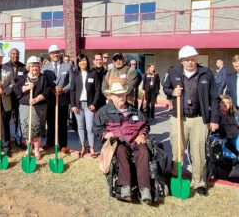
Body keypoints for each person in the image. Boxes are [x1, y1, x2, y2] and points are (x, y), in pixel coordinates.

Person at [163, 45, 219, 196]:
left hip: (199, 119)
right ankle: (176, 176)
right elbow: (165, 88)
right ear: (181, 61)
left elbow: (214, 98)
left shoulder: (206, 73)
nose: (190, 62)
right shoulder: (173, 72)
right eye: (187, 60)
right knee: (177, 150)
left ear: (196, 59)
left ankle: (199, 182)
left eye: (193, 59)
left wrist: (214, 119)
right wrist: (173, 92)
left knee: (199, 152)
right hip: (178, 118)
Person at [93, 82, 151, 203]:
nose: (121, 97)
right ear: (111, 96)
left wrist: (142, 134)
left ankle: (145, 189)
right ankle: (125, 187)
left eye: (123, 95)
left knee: (144, 151)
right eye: (117, 95)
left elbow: (145, 125)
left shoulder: (134, 111)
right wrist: (105, 134)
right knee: (121, 152)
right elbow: (97, 128)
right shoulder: (103, 112)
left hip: (135, 141)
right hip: (118, 142)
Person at [13, 56, 50, 159]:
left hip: (39, 107)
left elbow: (47, 91)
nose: (34, 68)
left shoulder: (43, 78)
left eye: (36, 66)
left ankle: (37, 150)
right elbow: (16, 89)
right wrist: (26, 87)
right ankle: (29, 148)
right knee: (26, 129)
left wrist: (36, 99)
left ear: (39, 67)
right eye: (32, 66)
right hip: (25, 107)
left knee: (36, 129)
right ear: (29, 67)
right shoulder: (23, 77)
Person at [42, 44, 73, 154]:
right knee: (50, 122)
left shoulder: (68, 66)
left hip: (63, 99)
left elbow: (71, 82)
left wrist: (64, 89)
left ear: (60, 53)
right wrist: (51, 89)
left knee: (63, 123)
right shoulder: (45, 67)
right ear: (49, 55)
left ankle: (63, 145)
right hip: (50, 99)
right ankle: (50, 142)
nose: (55, 54)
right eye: (53, 53)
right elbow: (43, 82)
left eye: (57, 52)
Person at [70, 54, 100, 158]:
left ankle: (91, 147)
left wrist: (94, 104)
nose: (82, 62)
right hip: (78, 105)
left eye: (84, 60)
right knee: (81, 127)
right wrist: (73, 105)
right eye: (80, 61)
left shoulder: (93, 73)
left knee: (90, 128)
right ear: (78, 63)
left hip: (89, 105)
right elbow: (72, 91)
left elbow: (97, 90)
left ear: (87, 61)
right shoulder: (75, 74)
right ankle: (82, 146)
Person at [3, 48, 26, 148]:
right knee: (6, 120)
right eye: (13, 54)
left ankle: (18, 140)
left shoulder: (23, 67)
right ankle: (6, 142)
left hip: (19, 98)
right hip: (7, 97)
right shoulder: (4, 66)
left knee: (19, 120)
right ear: (9, 55)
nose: (15, 56)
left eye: (17, 54)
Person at [215, 95, 239, 161]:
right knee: (217, 149)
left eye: (227, 103)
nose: (225, 104)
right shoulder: (214, 115)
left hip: (234, 135)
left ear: (230, 105)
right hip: (221, 137)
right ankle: (233, 157)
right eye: (222, 102)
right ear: (218, 103)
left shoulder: (234, 114)